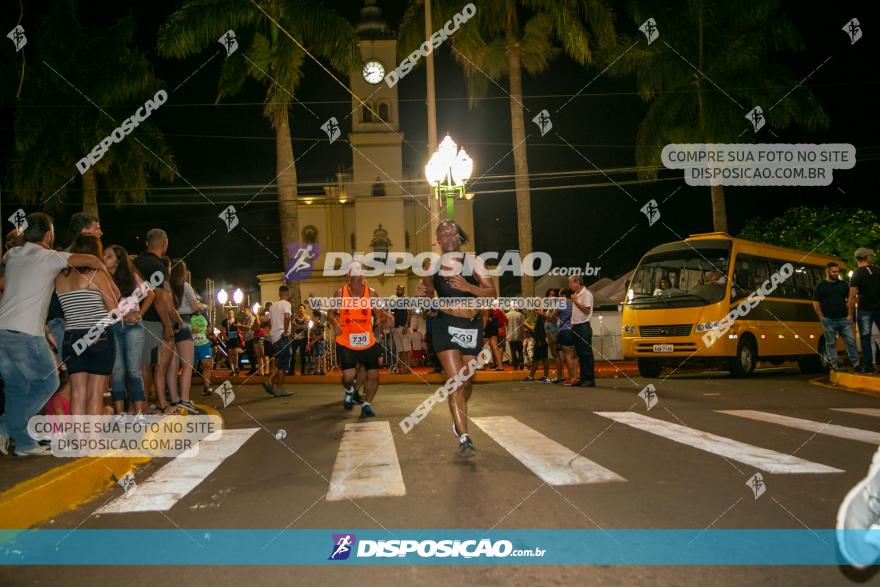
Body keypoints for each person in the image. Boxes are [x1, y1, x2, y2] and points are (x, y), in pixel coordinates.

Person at [0, 213, 110, 455]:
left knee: (16, 387)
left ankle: (24, 444)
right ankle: (6, 426)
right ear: (49, 235)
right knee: (49, 381)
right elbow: (86, 260)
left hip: (3, 332)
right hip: (26, 333)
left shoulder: (12, 255)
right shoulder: (48, 257)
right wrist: (99, 264)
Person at [416, 220, 496, 458]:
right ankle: (464, 437)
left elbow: (491, 293)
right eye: (443, 234)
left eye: (453, 233)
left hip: (471, 326)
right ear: (438, 240)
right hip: (445, 325)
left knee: (467, 381)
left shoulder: (473, 262)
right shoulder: (433, 266)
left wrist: (467, 286)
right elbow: (426, 291)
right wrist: (421, 294)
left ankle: (458, 418)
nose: (448, 237)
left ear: (459, 238)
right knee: (457, 382)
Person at [55, 235, 118, 415]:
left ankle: (81, 442)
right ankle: (93, 442)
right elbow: (113, 309)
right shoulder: (97, 275)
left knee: (77, 392)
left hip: (71, 337)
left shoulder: (59, 278)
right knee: (95, 394)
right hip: (99, 335)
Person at [327, 262, 385, 417]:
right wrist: (334, 323)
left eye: (360, 274)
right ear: (348, 276)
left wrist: (381, 317)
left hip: (367, 340)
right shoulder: (340, 293)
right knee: (348, 377)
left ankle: (367, 404)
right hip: (346, 341)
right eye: (355, 275)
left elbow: (379, 310)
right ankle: (350, 390)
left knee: (374, 375)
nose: (358, 278)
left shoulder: (371, 293)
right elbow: (330, 313)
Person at [104, 244, 152, 416]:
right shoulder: (102, 277)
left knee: (133, 370)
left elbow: (150, 294)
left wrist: (139, 315)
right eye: (104, 255)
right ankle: (120, 414)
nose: (104, 258)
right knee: (117, 371)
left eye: (109, 255)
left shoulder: (131, 277)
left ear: (118, 260)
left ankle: (139, 413)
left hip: (133, 327)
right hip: (113, 326)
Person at [132, 229, 175, 414]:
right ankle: (143, 406)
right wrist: (167, 326)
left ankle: (137, 406)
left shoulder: (135, 262)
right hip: (151, 319)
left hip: (132, 317)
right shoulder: (159, 266)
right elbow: (161, 298)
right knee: (148, 365)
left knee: (138, 366)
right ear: (164, 243)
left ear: (147, 243)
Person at [812, 262, 859, 371]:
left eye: (837, 271)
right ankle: (834, 364)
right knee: (830, 343)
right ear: (827, 271)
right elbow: (815, 302)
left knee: (850, 341)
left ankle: (856, 363)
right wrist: (821, 317)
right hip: (828, 319)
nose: (836, 273)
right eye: (834, 271)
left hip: (843, 318)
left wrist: (850, 315)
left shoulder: (843, 284)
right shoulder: (821, 286)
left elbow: (851, 299)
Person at [167, 259, 199, 413]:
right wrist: (198, 305)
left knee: (171, 367)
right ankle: (184, 399)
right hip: (184, 323)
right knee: (187, 365)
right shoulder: (185, 286)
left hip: (168, 325)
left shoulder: (166, 286)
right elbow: (195, 307)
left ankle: (173, 401)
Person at [849, 248, 880, 373]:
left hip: (865, 310)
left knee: (865, 338)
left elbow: (851, 296)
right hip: (879, 308)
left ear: (857, 259)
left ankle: (868, 366)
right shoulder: (878, 270)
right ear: (867, 258)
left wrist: (850, 315)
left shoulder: (857, 273)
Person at [263, 287, 293, 397]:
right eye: (290, 292)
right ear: (287, 293)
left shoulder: (273, 306)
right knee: (284, 364)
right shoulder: (286, 304)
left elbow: (270, 321)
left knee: (281, 361)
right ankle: (279, 388)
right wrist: (285, 331)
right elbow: (287, 317)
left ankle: (269, 381)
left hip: (274, 337)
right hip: (282, 337)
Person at [568, 275, 595, 387]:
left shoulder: (586, 294)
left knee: (586, 354)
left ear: (577, 282)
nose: (569, 285)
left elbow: (587, 310)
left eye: (570, 283)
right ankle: (583, 378)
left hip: (583, 327)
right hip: (576, 327)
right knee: (580, 354)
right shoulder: (576, 295)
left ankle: (589, 379)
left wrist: (575, 302)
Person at [556, 288, 580, 385]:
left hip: (565, 331)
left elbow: (553, 317)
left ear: (563, 295)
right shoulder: (576, 302)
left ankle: (572, 378)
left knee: (568, 355)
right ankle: (576, 376)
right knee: (575, 355)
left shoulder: (561, 303)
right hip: (576, 330)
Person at [523, 303, 551, 382]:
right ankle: (545, 376)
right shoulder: (540, 316)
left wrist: (528, 326)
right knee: (542, 358)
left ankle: (531, 376)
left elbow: (540, 329)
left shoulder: (541, 316)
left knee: (537, 358)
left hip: (540, 340)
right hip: (541, 339)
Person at [192, 311, 214, 396]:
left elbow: (210, 327)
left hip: (204, 345)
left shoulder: (204, 314)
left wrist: (209, 330)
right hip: (191, 345)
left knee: (207, 365)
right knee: (189, 367)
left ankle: (206, 387)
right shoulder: (188, 313)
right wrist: (190, 330)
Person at [544, 289, 564, 383]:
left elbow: (553, 320)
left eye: (553, 295)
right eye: (549, 295)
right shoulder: (550, 306)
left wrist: (542, 315)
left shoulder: (555, 306)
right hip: (549, 331)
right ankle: (560, 376)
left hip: (553, 331)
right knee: (556, 354)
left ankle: (560, 376)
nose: (551, 297)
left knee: (556, 355)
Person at [390, 285, 411, 374]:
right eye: (397, 289)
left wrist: (406, 326)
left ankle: (408, 368)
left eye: (400, 289)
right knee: (400, 349)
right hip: (395, 327)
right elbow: (392, 314)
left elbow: (409, 312)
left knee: (407, 349)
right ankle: (401, 368)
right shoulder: (394, 301)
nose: (399, 290)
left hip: (404, 327)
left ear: (403, 290)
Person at [221, 309, 242, 376]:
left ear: (233, 313)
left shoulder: (236, 320)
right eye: (229, 313)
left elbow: (240, 328)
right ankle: (232, 369)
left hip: (235, 339)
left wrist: (239, 327)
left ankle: (236, 367)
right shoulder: (224, 321)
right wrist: (225, 337)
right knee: (230, 354)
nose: (230, 314)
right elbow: (223, 330)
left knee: (235, 354)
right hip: (228, 339)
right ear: (227, 314)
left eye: (232, 313)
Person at [290, 304, 309, 375]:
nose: (300, 310)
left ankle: (303, 371)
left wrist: (297, 326)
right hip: (295, 338)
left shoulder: (307, 317)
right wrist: (300, 326)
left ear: (304, 309)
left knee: (303, 355)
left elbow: (306, 327)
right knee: (292, 354)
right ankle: (291, 371)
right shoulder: (295, 318)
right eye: (299, 308)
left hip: (303, 338)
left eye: (301, 308)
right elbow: (293, 327)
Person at [506, 305, 524, 370]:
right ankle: (521, 364)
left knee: (513, 352)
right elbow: (522, 326)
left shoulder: (506, 315)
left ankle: (515, 366)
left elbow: (505, 325)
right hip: (518, 335)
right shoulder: (519, 314)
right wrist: (523, 335)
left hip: (510, 336)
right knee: (520, 351)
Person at [241, 305, 258, 375]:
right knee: (249, 354)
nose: (244, 312)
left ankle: (254, 369)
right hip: (247, 338)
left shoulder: (252, 318)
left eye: (245, 310)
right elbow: (244, 328)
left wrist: (241, 326)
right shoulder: (246, 318)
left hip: (251, 338)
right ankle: (252, 368)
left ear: (249, 310)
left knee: (251, 354)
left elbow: (250, 327)